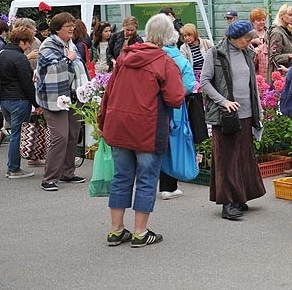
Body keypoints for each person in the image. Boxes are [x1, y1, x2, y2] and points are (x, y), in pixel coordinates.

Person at [98, 14, 185, 247]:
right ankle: (140, 232)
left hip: (118, 125)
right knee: (146, 178)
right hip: (148, 127)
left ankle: (116, 230)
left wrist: (103, 122)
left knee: (121, 177)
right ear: (169, 36)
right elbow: (176, 98)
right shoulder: (165, 62)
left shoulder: (125, 57)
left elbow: (109, 93)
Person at [200, 20, 266, 221]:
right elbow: (204, 81)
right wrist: (223, 101)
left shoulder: (246, 53)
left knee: (243, 156)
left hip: (246, 112)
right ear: (234, 38)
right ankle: (228, 203)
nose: (249, 42)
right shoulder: (215, 54)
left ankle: (240, 197)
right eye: (246, 39)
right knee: (227, 158)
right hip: (226, 115)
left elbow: (251, 83)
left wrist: (259, 109)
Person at [35, 12, 89, 191]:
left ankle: (68, 172)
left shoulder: (70, 44)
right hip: (54, 99)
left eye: (73, 25)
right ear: (57, 29)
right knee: (60, 137)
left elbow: (79, 69)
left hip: (72, 98)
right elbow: (52, 69)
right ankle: (49, 178)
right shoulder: (48, 45)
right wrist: (69, 59)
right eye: (68, 26)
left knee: (73, 135)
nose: (72, 28)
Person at [0, 25, 43, 179]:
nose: (30, 45)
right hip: (19, 100)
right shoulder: (20, 58)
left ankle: (13, 167)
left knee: (14, 133)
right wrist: (37, 104)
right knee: (18, 135)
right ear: (22, 41)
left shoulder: (2, 54)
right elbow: (27, 84)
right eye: (28, 42)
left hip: (4, 100)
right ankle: (14, 168)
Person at [159, 18, 197, 201]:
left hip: (154, 107)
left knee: (156, 143)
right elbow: (189, 85)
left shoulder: (155, 58)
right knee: (173, 143)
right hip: (175, 108)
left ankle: (154, 183)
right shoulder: (181, 61)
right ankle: (169, 186)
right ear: (176, 42)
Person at [266, 4, 292, 78]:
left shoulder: (289, 30)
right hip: (280, 74)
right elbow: (273, 57)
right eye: (290, 15)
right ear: (281, 16)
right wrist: (290, 56)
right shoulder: (277, 32)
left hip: (288, 70)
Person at [249, 8, 269, 78]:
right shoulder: (249, 34)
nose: (262, 22)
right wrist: (252, 41)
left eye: (263, 20)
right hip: (253, 66)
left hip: (265, 66)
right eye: (258, 20)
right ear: (252, 21)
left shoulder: (269, 32)